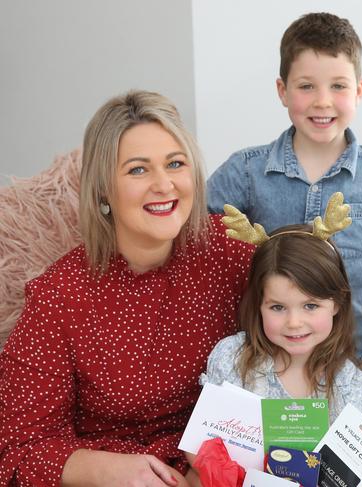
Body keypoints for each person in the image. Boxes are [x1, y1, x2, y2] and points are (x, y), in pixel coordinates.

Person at [0, 91, 254, 486]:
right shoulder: (59, 297)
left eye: (175, 163)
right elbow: (16, 451)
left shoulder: (233, 254)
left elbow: (314, 330)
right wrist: (103, 469)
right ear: (102, 189)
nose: (163, 184)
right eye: (138, 170)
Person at [206, 12, 362, 370]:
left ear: (359, 91)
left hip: (358, 355)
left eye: (338, 86)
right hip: (271, 360)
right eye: (306, 86)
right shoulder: (246, 170)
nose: (322, 101)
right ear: (282, 91)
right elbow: (192, 229)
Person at [191, 194, 362, 486]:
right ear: (258, 305)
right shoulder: (235, 361)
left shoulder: (348, 386)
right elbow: (197, 447)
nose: (294, 323)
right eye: (278, 307)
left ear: (336, 303)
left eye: (310, 306)